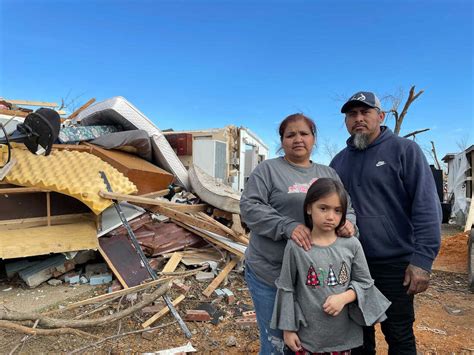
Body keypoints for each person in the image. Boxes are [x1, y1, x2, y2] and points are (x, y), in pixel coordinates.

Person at [330, 91, 442, 354]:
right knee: (357, 338)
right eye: (352, 114)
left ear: (380, 116)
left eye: (365, 112)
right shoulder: (337, 162)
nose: (358, 118)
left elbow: (427, 207)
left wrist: (422, 261)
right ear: (346, 121)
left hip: (395, 265)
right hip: (351, 264)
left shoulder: (405, 151)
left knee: (399, 335)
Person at [240, 113, 356, 354]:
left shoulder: (328, 174)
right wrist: (287, 226)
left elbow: (347, 208)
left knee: (306, 341)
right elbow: (250, 208)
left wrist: (348, 223)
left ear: (314, 139)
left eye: (304, 133)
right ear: (281, 140)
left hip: (315, 278)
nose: (297, 139)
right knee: (276, 343)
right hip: (270, 272)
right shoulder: (268, 170)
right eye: (290, 134)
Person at [271, 178, 390, 354]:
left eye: (337, 210)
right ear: (309, 208)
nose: (330, 216)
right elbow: (287, 288)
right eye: (323, 208)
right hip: (307, 339)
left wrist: (343, 298)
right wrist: (288, 329)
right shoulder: (296, 246)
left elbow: (365, 283)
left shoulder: (352, 245)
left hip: (343, 339)